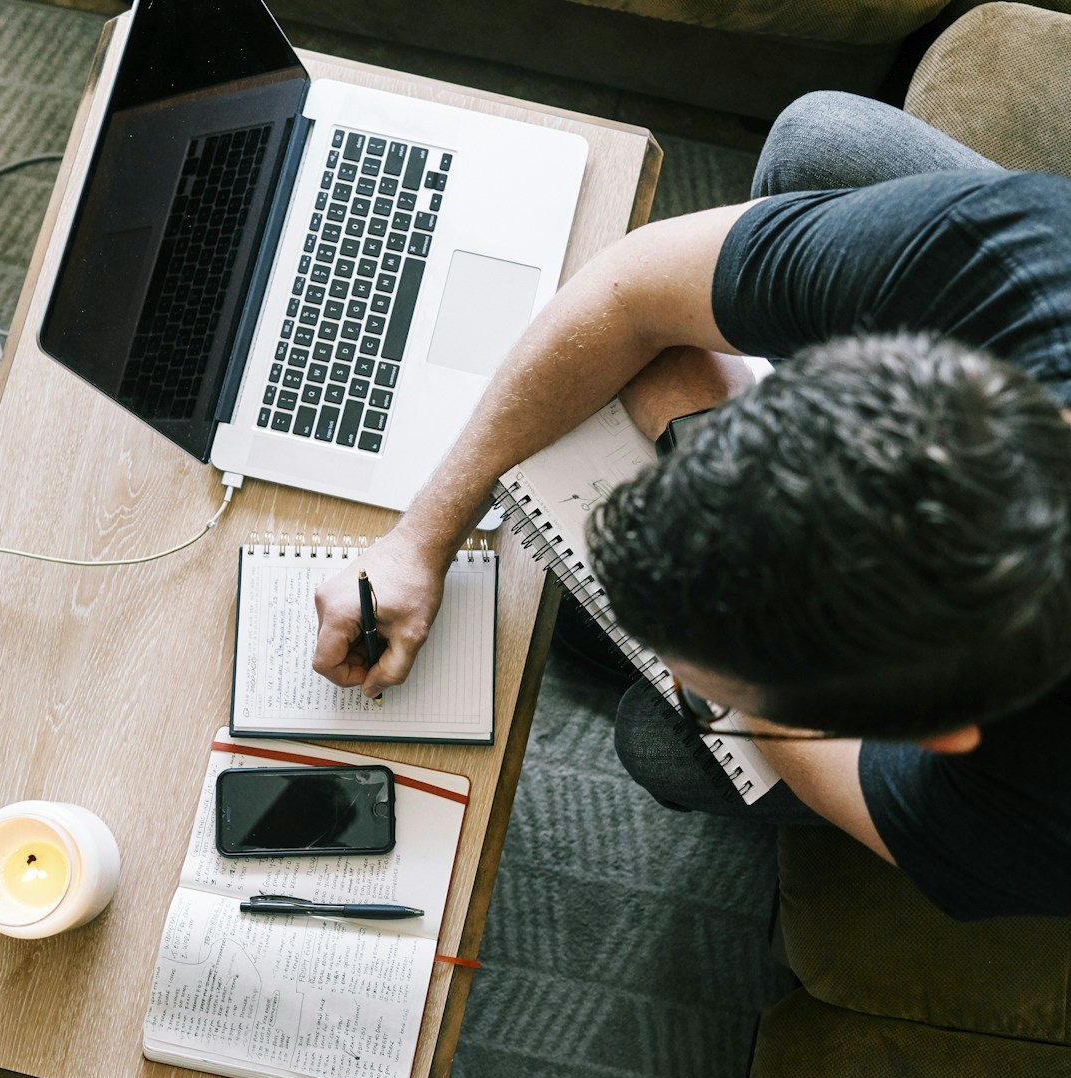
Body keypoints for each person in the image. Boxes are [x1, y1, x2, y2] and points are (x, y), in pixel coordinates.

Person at [312, 92, 1071, 921]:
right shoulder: (1015, 262)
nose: (682, 675)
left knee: (665, 742)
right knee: (822, 142)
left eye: (704, 683)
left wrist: (714, 697)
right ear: (868, 363)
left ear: (942, 734)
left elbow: (874, 786)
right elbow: (630, 290)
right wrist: (423, 536)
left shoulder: (1028, 818)